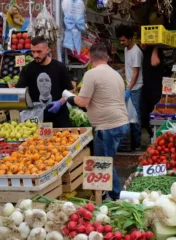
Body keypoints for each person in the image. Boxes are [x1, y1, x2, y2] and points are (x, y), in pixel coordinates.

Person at [66, 43, 130, 200]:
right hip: (121, 122)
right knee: (104, 160)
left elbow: (82, 102)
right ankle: (103, 193)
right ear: (107, 58)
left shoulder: (91, 74)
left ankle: (116, 196)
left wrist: (68, 97)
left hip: (107, 127)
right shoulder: (116, 75)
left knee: (104, 162)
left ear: (90, 58)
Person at [16, 36, 73, 127]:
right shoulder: (27, 69)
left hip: (59, 118)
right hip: (37, 119)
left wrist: (60, 102)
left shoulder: (59, 67)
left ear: (47, 50)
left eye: (39, 52)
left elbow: (70, 91)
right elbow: (18, 91)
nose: (35, 55)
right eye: (33, 52)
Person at [115, 24, 143, 151]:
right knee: (129, 115)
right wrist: (120, 71)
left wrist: (129, 89)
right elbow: (129, 68)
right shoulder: (127, 50)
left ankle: (137, 142)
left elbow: (136, 72)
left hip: (136, 88)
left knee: (135, 115)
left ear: (130, 38)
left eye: (123, 40)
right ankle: (131, 141)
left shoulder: (136, 52)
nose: (122, 42)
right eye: (120, 40)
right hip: (130, 86)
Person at [140, 45, 164, 138]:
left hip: (155, 87)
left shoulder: (156, 50)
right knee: (144, 113)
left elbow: (154, 62)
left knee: (154, 112)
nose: (141, 43)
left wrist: (156, 46)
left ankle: (155, 135)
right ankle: (151, 132)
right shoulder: (144, 52)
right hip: (145, 87)